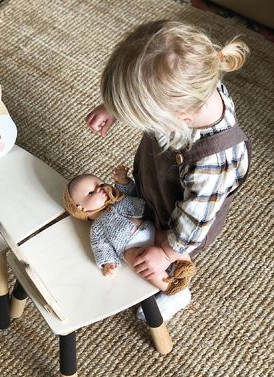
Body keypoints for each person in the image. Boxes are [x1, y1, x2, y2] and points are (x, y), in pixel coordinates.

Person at [85, 20, 251, 321]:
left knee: (164, 248)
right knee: (146, 213)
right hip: (158, 182)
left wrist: (166, 253)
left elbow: (193, 224)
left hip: (184, 217)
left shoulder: (213, 164)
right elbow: (147, 86)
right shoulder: (189, 89)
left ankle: (176, 290)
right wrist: (114, 106)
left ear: (179, 118)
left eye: (141, 114)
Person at [63, 165, 196, 295]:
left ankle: (185, 264)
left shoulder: (118, 198)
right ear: (82, 209)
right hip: (130, 247)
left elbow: (133, 193)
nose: (100, 189)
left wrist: (123, 181)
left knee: (168, 236)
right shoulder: (97, 228)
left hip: (149, 229)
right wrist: (108, 263)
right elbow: (101, 246)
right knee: (141, 265)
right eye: (91, 193)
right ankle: (168, 286)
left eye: (99, 183)